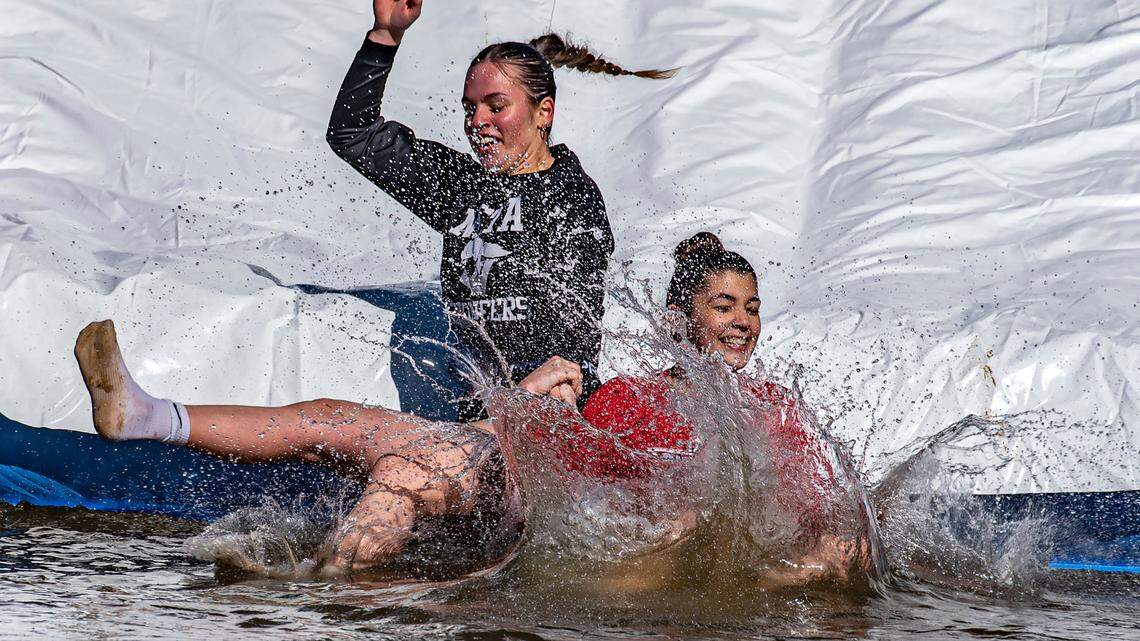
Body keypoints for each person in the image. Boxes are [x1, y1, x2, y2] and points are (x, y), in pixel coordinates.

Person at [72, 233, 866, 581]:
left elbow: (799, 497)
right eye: (723, 302)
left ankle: (312, 582)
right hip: (512, 481)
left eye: (752, 306)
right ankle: (153, 416)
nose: (742, 320)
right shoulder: (634, 393)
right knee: (339, 424)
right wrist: (526, 409)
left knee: (395, 466)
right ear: (676, 319)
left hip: (513, 487)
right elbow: (578, 465)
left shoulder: (774, 407)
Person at [327, 0, 671, 416]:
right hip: (483, 414)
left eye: (496, 106)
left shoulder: (570, 195)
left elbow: (571, 349)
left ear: (543, 112)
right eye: (469, 107)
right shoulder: (460, 186)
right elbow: (354, 134)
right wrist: (385, 37)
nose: (476, 121)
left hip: (554, 415)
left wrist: (534, 402)